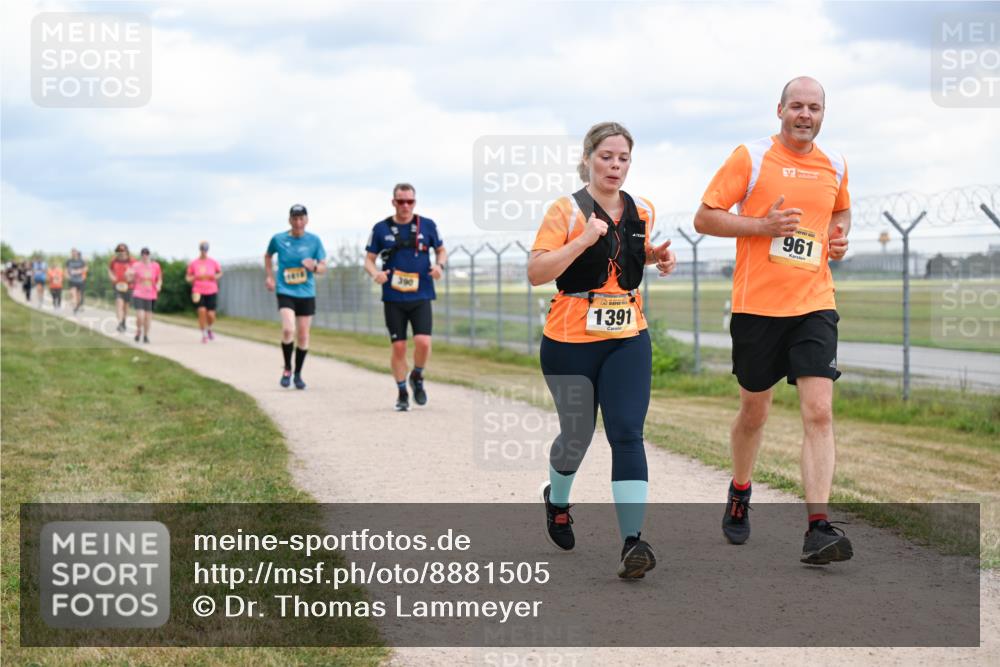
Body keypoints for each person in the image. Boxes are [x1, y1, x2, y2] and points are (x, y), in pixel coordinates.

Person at [693, 76, 853, 565]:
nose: (806, 114)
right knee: (754, 413)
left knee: (819, 411)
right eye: (797, 106)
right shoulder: (752, 156)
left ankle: (818, 527)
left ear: (824, 114)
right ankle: (741, 489)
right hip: (758, 307)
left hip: (814, 302)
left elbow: (840, 214)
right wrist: (761, 227)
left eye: (815, 107)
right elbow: (705, 217)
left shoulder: (836, 164)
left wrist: (839, 238)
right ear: (779, 109)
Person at [527, 122, 677, 579]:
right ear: (589, 158)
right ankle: (557, 501)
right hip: (569, 342)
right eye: (606, 157)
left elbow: (631, 252)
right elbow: (536, 272)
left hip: (628, 337)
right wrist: (582, 239)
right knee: (577, 436)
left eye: (623, 159)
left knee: (627, 433)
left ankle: (633, 542)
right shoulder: (565, 211)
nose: (615, 166)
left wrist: (657, 257)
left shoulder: (642, 208)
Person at [363, 183, 447, 411]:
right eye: (401, 201)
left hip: (421, 294)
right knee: (399, 347)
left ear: (415, 202)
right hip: (393, 298)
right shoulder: (381, 228)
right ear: (393, 202)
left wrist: (439, 266)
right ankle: (401, 392)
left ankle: (417, 376)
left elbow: (441, 250)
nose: (406, 206)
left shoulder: (427, 225)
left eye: (410, 201)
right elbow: (369, 259)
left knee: (423, 342)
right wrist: (375, 274)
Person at [264, 204, 327, 389]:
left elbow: (323, 267)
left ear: (306, 220)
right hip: (285, 290)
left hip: (306, 293)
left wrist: (314, 267)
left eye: (301, 218)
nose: (298, 222)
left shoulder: (314, 241)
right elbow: (268, 256)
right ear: (290, 220)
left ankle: (298, 374)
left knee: (303, 335)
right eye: (295, 218)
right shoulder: (278, 239)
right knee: (288, 330)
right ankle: (287, 369)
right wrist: (269, 276)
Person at [186, 241, 223, 343]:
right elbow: (188, 278)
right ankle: (204, 334)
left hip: (211, 289)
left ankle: (209, 328)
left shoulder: (213, 262)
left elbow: (220, 273)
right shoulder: (194, 263)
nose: (204, 251)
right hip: (197, 290)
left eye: (205, 249)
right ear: (200, 250)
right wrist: (195, 277)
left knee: (211, 314)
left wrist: (214, 276)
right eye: (202, 249)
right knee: (201, 311)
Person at [128, 247, 162, 343]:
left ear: (149, 255)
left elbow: (159, 278)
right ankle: (138, 331)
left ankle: (146, 335)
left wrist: (159, 285)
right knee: (140, 315)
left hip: (151, 294)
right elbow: (130, 278)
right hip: (138, 293)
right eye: (143, 253)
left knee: (148, 316)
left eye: (147, 253)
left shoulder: (155, 266)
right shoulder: (136, 265)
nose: (145, 255)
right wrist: (129, 275)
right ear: (141, 255)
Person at [108, 244, 135, 332]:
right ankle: (120, 323)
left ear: (127, 251)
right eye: (119, 251)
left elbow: (137, 272)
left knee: (126, 307)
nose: (121, 253)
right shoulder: (114, 261)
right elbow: (110, 270)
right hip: (118, 286)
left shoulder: (132, 261)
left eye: (122, 251)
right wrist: (112, 276)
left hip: (129, 286)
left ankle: (124, 322)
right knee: (119, 303)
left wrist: (131, 276)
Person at [65, 249, 88, 313]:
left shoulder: (81, 261)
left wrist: (79, 271)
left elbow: (86, 268)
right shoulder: (69, 261)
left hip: (80, 280)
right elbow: (66, 269)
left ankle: (78, 305)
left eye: (75, 253)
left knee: (79, 295)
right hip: (72, 280)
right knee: (73, 294)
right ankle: (75, 307)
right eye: (72, 253)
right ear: (71, 253)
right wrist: (67, 275)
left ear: (77, 253)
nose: (73, 254)